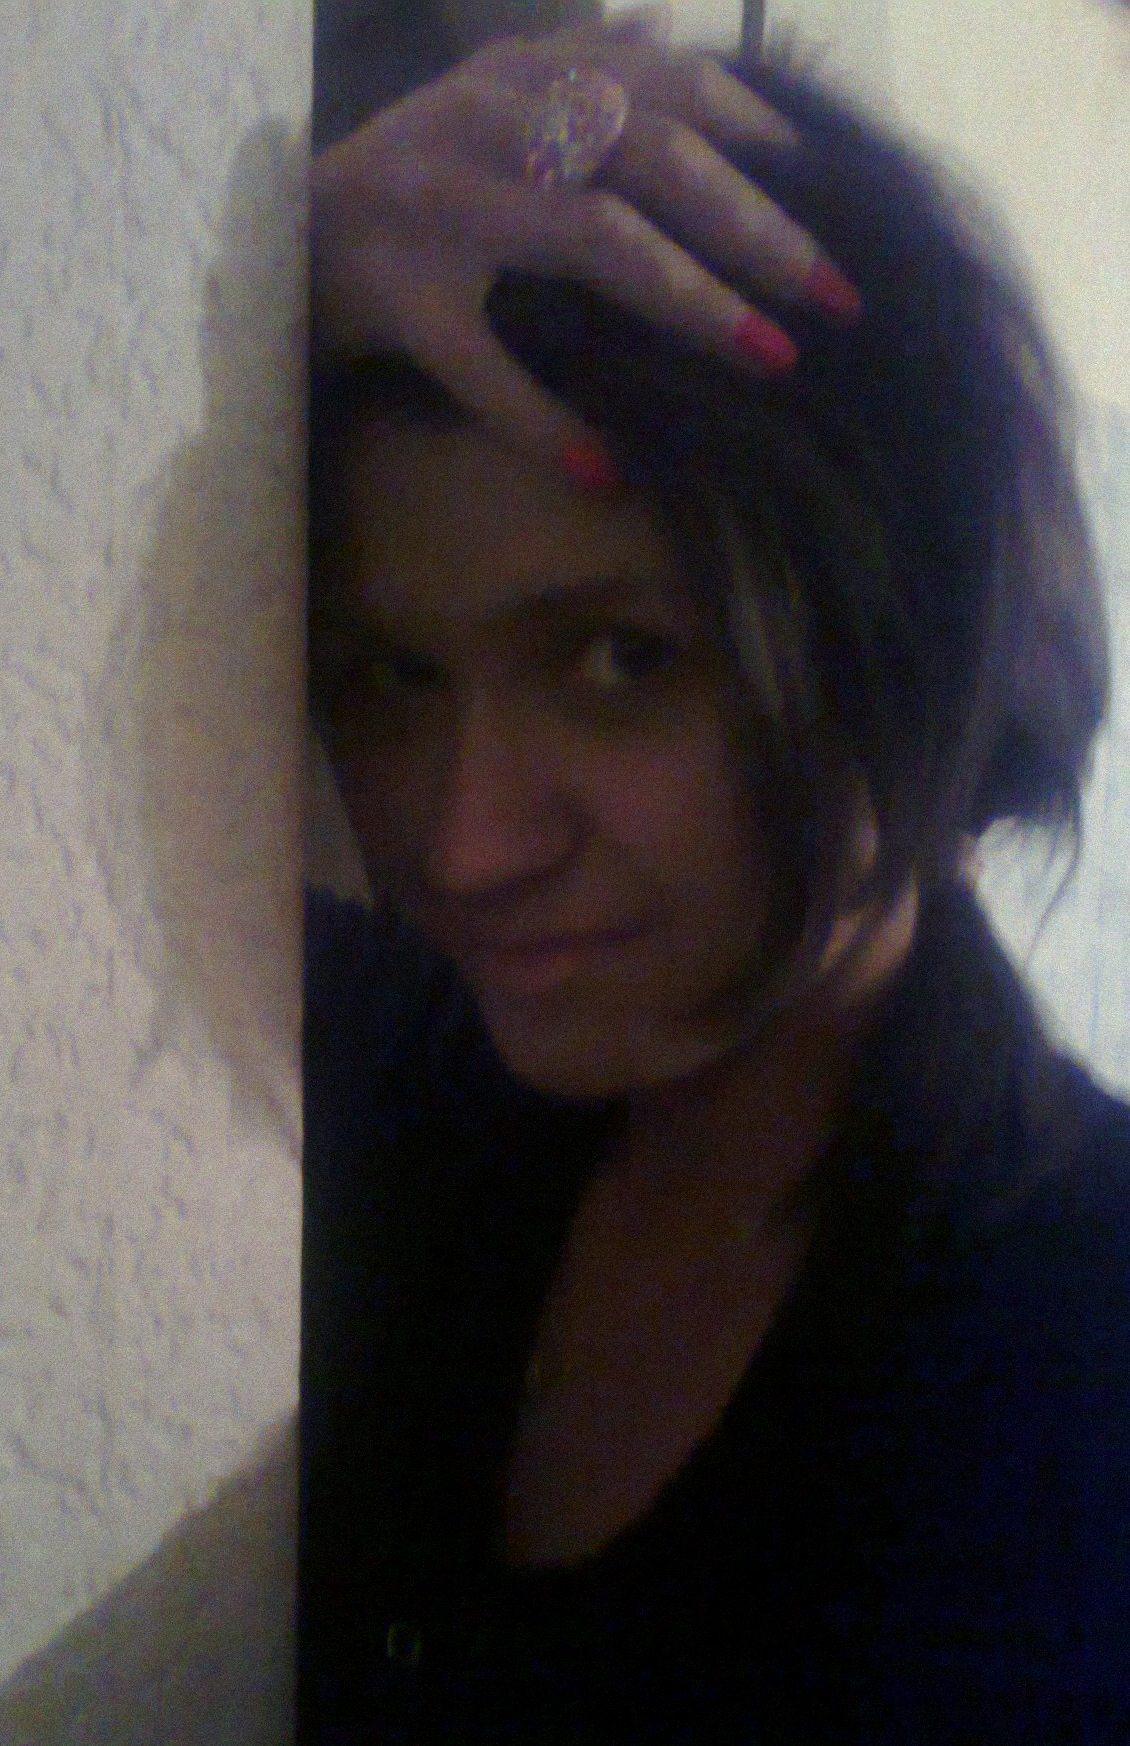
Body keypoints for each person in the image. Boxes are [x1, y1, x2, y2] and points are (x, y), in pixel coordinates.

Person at [300, 26, 1129, 1746]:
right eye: (391, 677)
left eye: (621, 655)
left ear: (914, 628)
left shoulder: (1080, 1337)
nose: (459, 846)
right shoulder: (379, 1087)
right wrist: (267, 274)